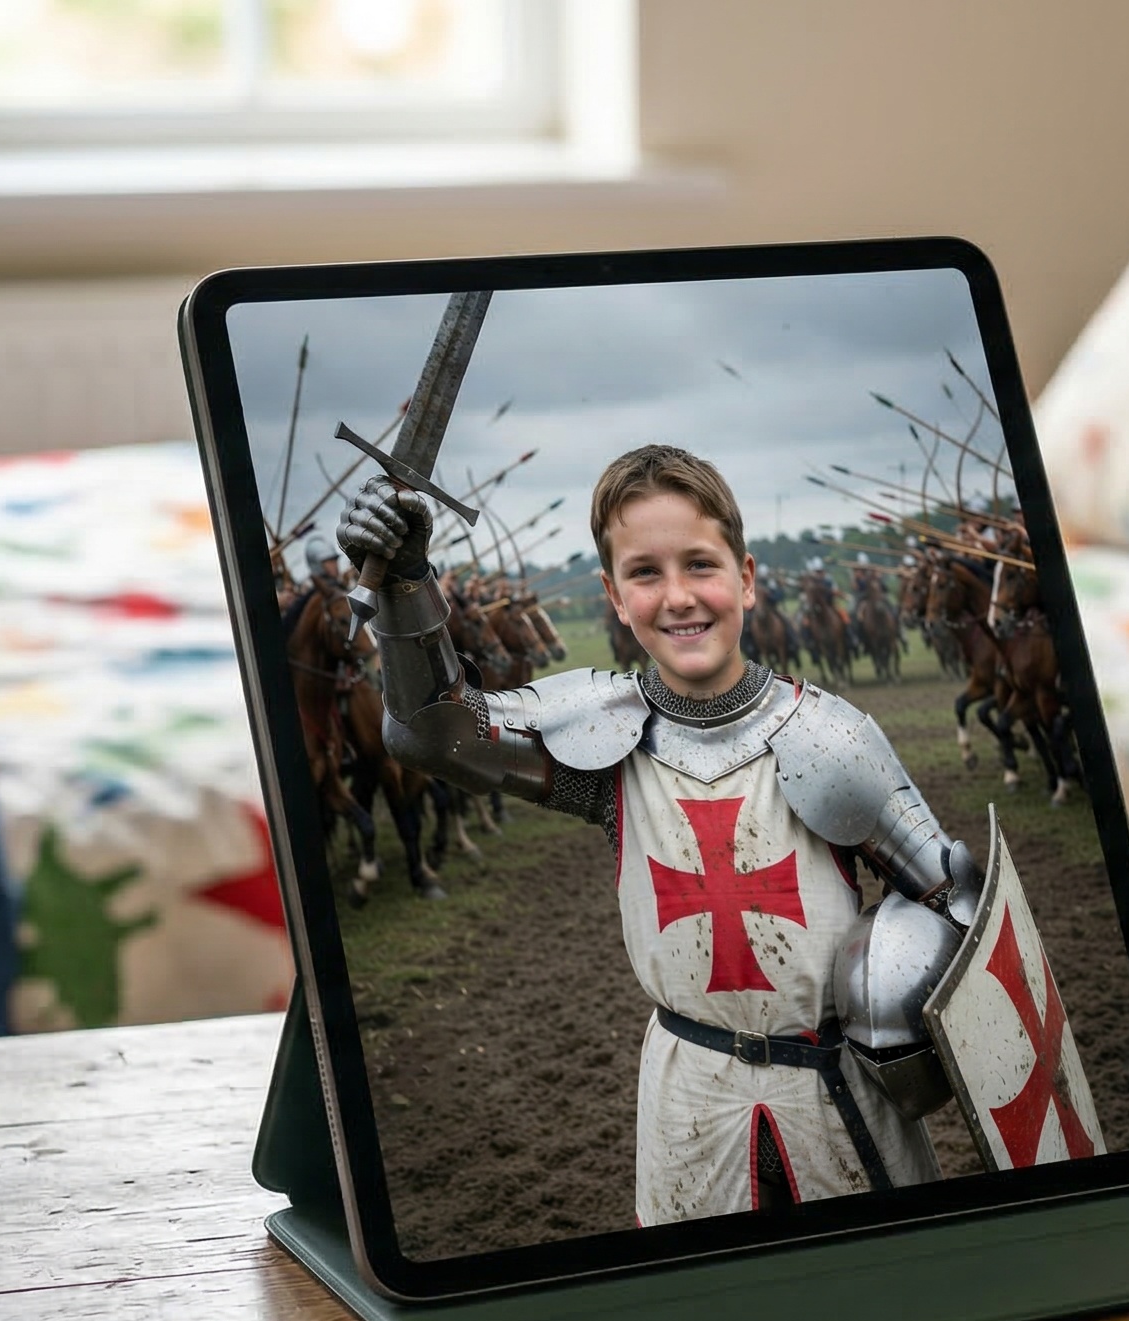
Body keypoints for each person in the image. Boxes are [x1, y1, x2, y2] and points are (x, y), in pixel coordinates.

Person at [338, 443, 992, 1224]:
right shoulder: (602, 743)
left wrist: (904, 1003)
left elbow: (962, 906)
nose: (679, 597)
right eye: (646, 573)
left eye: (701, 566)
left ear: (745, 578)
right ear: (615, 597)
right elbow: (430, 734)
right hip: (692, 1097)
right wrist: (407, 583)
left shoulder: (831, 737)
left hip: (842, 1096)